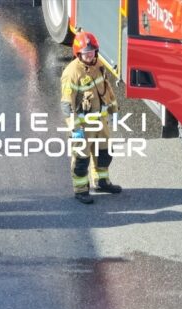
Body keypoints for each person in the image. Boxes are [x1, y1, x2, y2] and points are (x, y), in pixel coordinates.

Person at [60, 31, 122, 203]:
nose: (90, 55)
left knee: (104, 154)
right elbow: (67, 104)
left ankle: (102, 182)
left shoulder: (98, 65)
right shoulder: (72, 72)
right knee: (81, 160)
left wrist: (114, 110)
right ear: (78, 54)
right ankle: (80, 190)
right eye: (86, 53)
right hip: (84, 126)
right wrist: (74, 128)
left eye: (93, 51)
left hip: (100, 123)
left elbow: (107, 89)